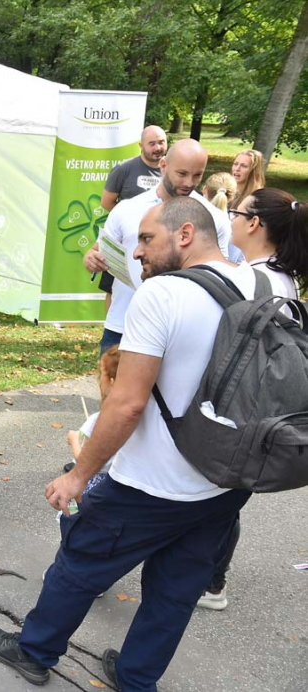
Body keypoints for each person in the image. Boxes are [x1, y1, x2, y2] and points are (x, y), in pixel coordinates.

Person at [0, 198, 255, 692]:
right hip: (225, 482)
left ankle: (34, 651)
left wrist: (78, 475)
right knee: (175, 593)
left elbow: (127, 404)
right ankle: (136, 680)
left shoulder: (163, 294)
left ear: (185, 234)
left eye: (147, 239)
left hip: (150, 483)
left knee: (80, 562)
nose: (136, 252)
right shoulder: (260, 283)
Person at [197, 189, 308, 612]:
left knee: (217, 499)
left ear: (254, 223)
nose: (231, 219)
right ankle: (212, 581)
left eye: (235, 212)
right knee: (226, 500)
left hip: (242, 408)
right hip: (266, 408)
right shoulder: (282, 276)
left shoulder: (253, 280)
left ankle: (210, 581)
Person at [83, 139, 237, 355]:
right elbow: (97, 250)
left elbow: (219, 272)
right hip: (123, 325)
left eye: (197, 175)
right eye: (181, 173)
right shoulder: (128, 209)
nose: (189, 182)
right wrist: (91, 258)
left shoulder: (213, 218)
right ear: (163, 166)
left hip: (183, 331)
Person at [95, 126, 170, 311]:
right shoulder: (123, 169)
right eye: (152, 143)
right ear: (140, 145)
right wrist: (130, 221)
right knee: (114, 287)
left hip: (160, 244)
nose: (158, 148)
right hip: (125, 241)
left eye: (161, 142)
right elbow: (107, 202)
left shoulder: (171, 171)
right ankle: (112, 325)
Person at [61, 346, 121, 485]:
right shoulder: (140, 418)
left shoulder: (98, 420)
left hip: (97, 482)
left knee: (67, 499)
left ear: (111, 383)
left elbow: (85, 462)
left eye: (102, 375)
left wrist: (74, 439)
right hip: (120, 480)